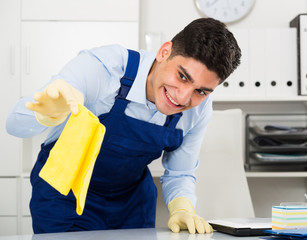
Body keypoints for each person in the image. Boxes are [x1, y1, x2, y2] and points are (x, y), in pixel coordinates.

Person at [6, 18, 241, 234]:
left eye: (201, 91)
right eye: (182, 77)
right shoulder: (102, 69)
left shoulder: (199, 109)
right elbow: (13, 124)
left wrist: (182, 208)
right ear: (164, 52)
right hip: (64, 196)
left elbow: (180, 172)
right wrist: (47, 113)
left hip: (131, 203)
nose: (183, 98)